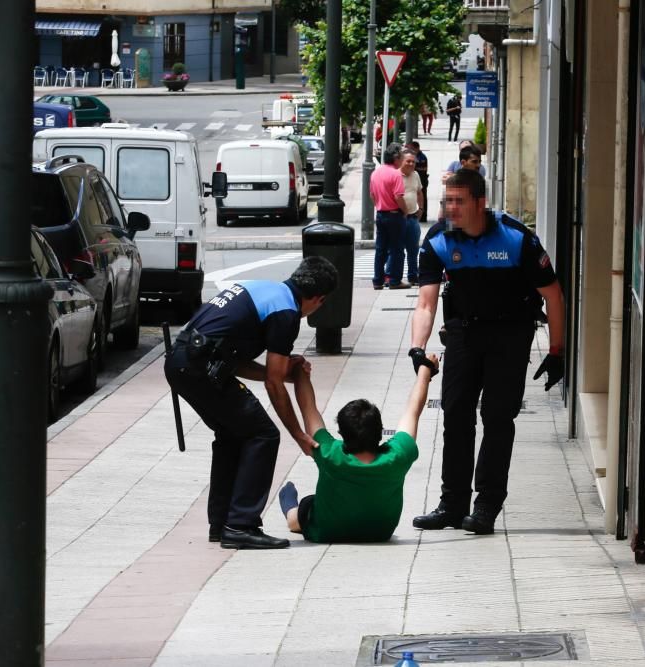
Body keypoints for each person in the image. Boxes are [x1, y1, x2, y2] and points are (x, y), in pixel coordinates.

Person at [408, 169, 566, 535]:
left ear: (481, 202)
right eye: (447, 200)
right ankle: (452, 503)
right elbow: (426, 303)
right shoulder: (438, 240)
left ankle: (486, 505)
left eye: (459, 201)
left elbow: (553, 295)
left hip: (510, 335)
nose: (451, 208)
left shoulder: (516, 238)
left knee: (497, 417)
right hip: (464, 332)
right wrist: (417, 347)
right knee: (455, 414)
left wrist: (557, 351)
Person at [163, 257, 339, 550]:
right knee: (264, 434)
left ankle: (222, 524)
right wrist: (298, 434)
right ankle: (241, 524)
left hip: (183, 362)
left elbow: (239, 363)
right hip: (199, 368)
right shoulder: (286, 313)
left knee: (233, 435)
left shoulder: (261, 289)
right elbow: (273, 382)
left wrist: (283, 374)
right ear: (318, 299)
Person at [277, 353, 440, 543]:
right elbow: (413, 410)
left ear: (342, 433)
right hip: (379, 532)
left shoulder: (330, 453)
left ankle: (289, 503)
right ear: (380, 431)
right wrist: (425, 370)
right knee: (318, 503)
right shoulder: (398, 456)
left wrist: (299, 372)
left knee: (300, 515)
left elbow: (308, 409)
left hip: (328, 530)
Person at [370, 143, 409, 289]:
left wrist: (380, 205)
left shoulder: (376, 173)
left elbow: (372, 194)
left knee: (381, 249)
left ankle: (377, 280)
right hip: (394, 215)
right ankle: (394, 280)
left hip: (381, 214)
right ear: (396, 158)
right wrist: (405, 211)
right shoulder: (395, 174)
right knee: (397, 249)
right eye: (402, 157)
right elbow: (399, 197)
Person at [399, 149, 424, 285]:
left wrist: (421, 209)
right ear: (401, 161)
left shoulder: (415, 175)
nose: (411, 164)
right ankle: (393, 276)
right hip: (398, 218)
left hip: (413, 217)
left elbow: (420, 193)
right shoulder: (395, 175)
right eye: (408, 161)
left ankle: (413, 276)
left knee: (413, 249)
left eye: (413, 162)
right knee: (397, 250)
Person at [407, 140, 430, 222]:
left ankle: (423, 216)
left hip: (422, 180)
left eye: (411, 149)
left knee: (422, 197)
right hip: (415, 179)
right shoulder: (414, 156)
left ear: (417, 148)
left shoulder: (422, 157)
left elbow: (422, 169)